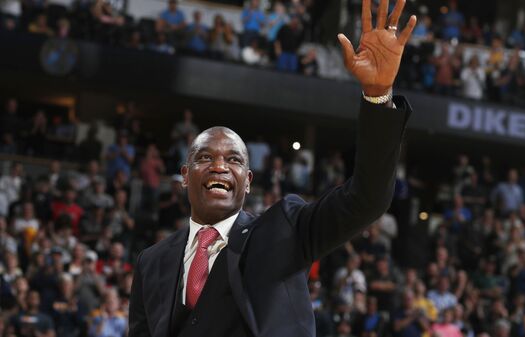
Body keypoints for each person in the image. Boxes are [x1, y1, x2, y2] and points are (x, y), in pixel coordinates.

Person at [129, 0, 417, 336]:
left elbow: (366, 200)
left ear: (248, 181)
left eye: (234, 160)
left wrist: (378, 96)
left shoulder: (284, 229)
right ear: (184, 175)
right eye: (205, 157)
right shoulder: (152, 262)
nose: (220, 165)